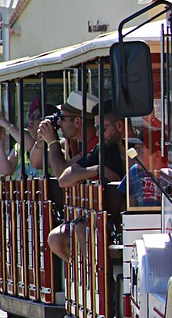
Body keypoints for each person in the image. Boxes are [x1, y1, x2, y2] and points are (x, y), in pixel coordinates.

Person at [47, 102, 127, 262]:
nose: (97, 134)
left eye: (101, 129)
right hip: (108, 222)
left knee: (82, 230)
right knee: (58, 237)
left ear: (119, 126)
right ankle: (90, 277)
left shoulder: (141, 145)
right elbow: (64, 179)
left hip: (134, 218)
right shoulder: (102, 148)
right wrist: (97, 169)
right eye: (96, 128)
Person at [33, 91, 98, 178]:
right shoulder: (76, 142)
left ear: (77, 122)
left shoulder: (96, 144)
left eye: (62, 118)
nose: (59, 122)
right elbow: (36, 163)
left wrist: (52, 142)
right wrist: (41, 142)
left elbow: (62, 175)